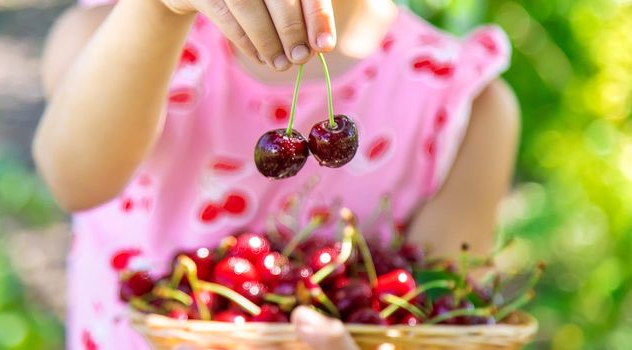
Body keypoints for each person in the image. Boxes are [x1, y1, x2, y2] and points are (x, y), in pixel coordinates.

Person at [33, 0, 519, 348]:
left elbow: (436, 319)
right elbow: (74, 182)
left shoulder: (463, 105)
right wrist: (157, 10)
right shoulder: (111, 31)